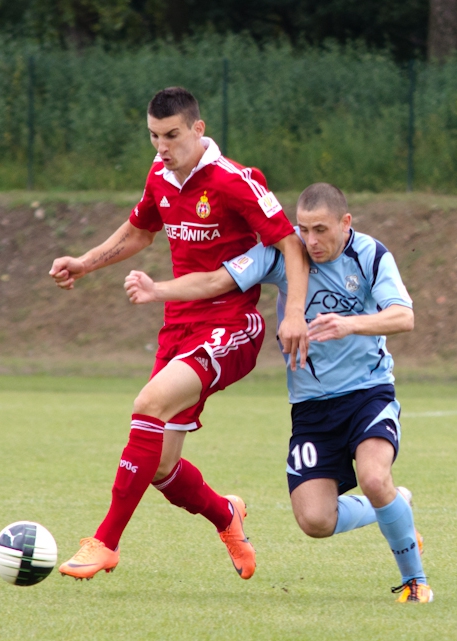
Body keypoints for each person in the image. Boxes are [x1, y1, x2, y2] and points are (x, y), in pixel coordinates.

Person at [124, 182, 433, 603]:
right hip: (311, 407)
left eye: (321, 230)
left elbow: (403, 316)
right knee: (315, 521)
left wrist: (349, 324)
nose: (311, 240)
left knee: (375, 478)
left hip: (368, 393)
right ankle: (395, 507)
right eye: (303, 229)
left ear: (346, 223)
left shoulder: (370, 255)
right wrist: (157, 289)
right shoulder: (283, 253)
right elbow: (217, 279)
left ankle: (415, 582)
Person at [48, 87, 310, 581]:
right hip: (178, 328)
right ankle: (226, 515)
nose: (162, 146)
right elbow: (139, 231)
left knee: (148, 404)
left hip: (232, 325)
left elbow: (290, 246)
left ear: (197, 128)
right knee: (162, 468)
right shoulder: (159, 175)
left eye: (171, 135)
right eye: (154, 136)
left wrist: (292, 312)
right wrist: (84, 263)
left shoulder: (235, 181)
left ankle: (105, 543)